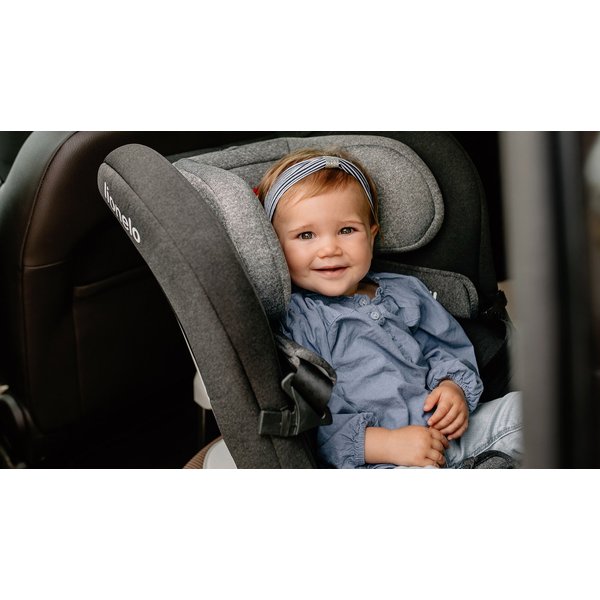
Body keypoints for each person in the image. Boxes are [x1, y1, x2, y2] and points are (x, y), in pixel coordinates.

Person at [256, 148, 522, 469]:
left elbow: (444, 347)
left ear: (371, 235)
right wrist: (385, 444)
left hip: (447, 434)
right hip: (378, 462)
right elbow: (310, 420)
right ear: (276, 248)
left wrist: (452, 387)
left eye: (346, 230)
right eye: (306, 235)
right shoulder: (299, 321)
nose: (329, 248)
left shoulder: (404, 291)